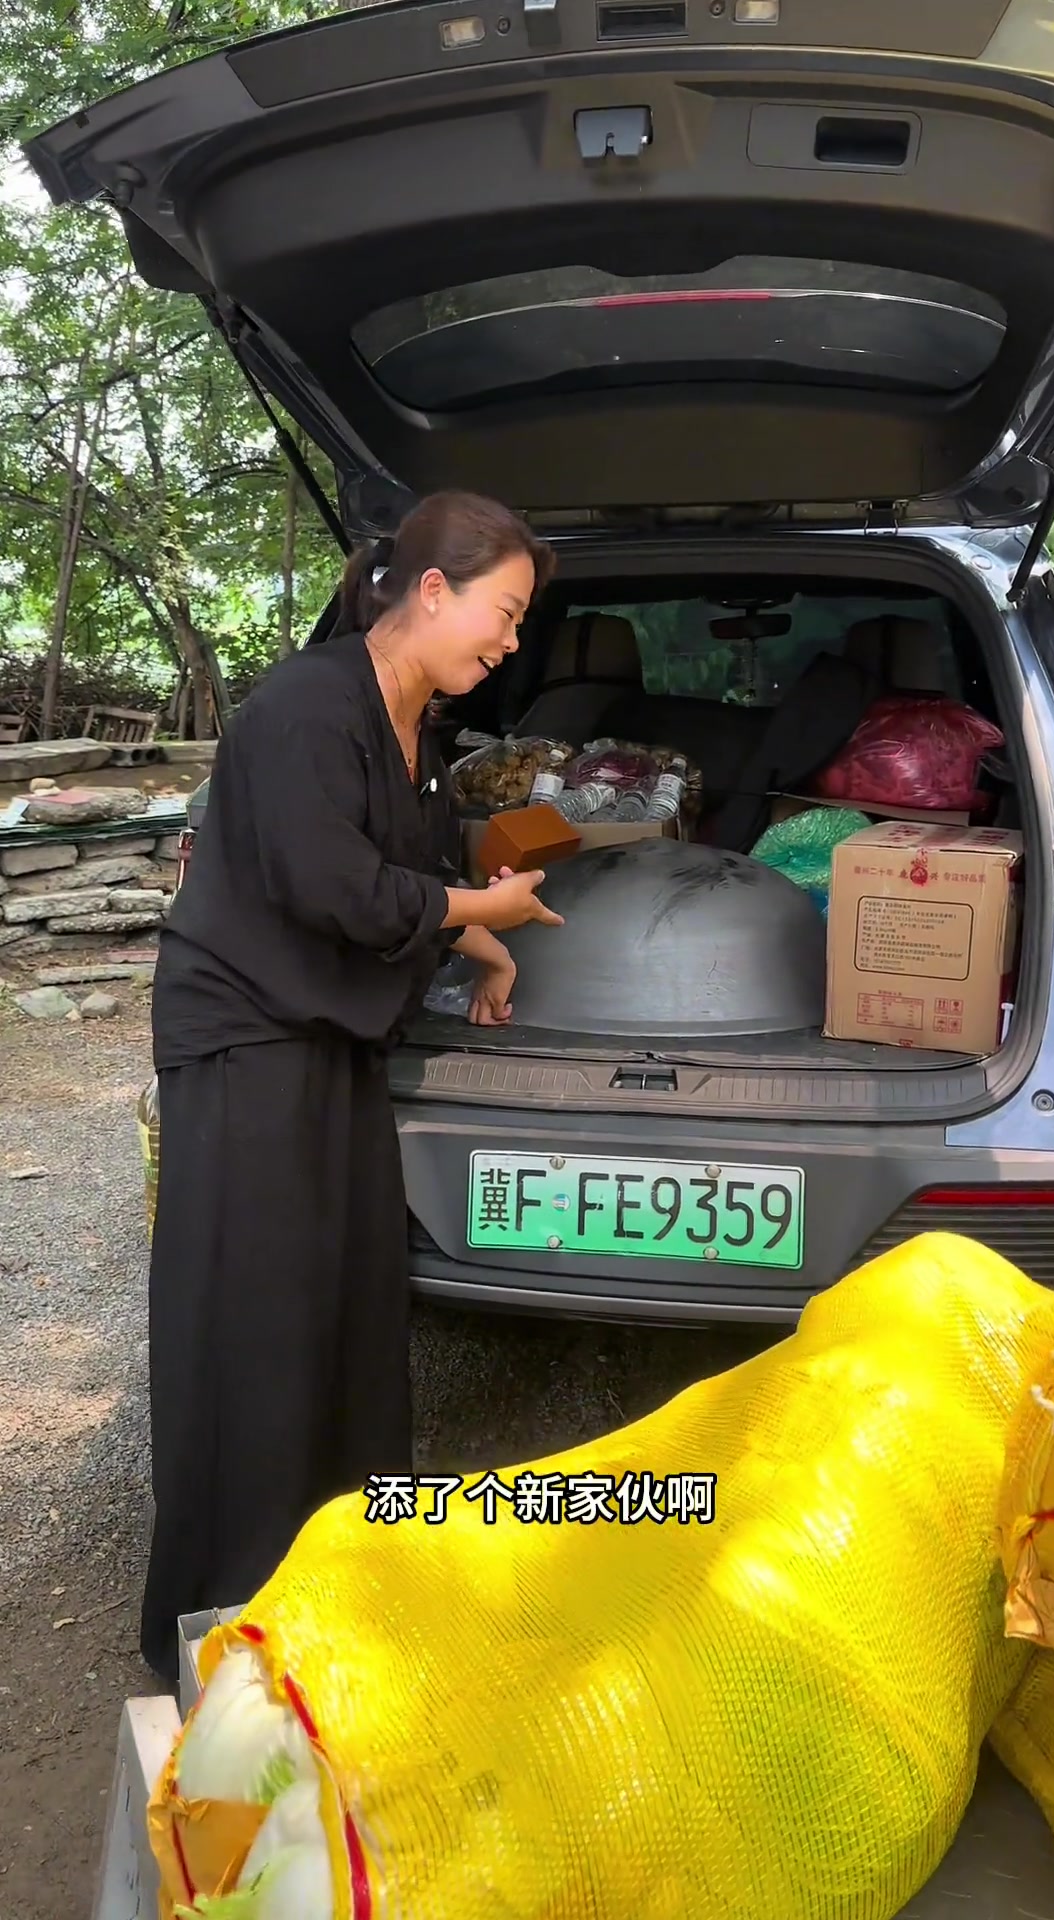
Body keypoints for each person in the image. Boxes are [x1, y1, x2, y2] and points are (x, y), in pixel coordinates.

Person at [140, 490, 562, 1681]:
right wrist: (485, 909)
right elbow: (341, 888)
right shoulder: (302, 711)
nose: (512, 642)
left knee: (351, 1308)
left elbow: (407, 871)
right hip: (246, 1036)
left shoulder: (419, 724)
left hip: (330, 1031)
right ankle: (223, 1625)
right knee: (253, 1323)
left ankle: (341, 1580)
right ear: (433, 590)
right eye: (506, 613)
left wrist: (484, 948)